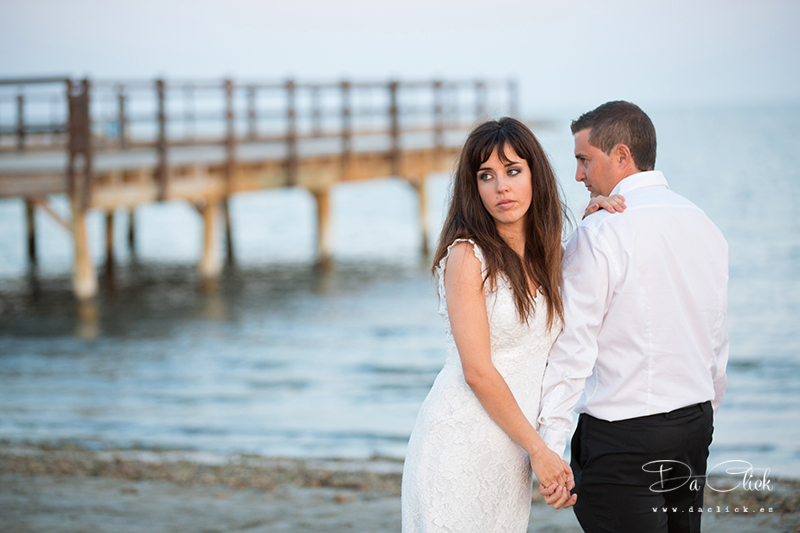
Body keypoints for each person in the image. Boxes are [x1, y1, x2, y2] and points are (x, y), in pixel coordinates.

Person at [400, 117, 623, 532]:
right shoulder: (468, 257)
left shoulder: (549, 256)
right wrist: (540, 450)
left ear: (535, 175)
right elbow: (477, 371)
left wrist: (595, 224)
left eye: (513, 171)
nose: (501, 187)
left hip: (511, 454)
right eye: (486, 176)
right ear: (474, 189)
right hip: (458, 444)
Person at [537, 101, 729, 533]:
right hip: (694, 426)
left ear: (622, 155)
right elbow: (716, 338)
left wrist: (550, 445)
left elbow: (573, 348)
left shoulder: (600, 231)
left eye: (585, 160)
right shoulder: (705, 224)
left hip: (623, 441)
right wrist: (705, 412)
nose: (579, 175)